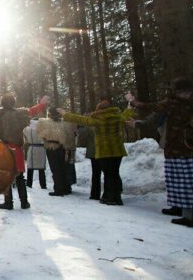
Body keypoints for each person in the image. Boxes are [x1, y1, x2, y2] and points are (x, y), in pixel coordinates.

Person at [128, 78, 193, 227]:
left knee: (183, 181)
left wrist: (135, 103)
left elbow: (153, 108)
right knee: (180, 179)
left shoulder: (174, 102)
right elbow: (156, 117)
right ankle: (179, 207)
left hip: (179, 146)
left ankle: (189, 215)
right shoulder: (179, 102)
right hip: (180, 146)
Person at [58, 98, 134, 205]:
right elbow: (127, 113)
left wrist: (65, 114)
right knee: (115, 173)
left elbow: (81, 119)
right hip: (117, 150)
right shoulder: (118, 117)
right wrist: (130, 104)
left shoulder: (99, 118)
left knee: (108, 174)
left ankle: (110, 198)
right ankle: (116, 197)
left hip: (104, 150)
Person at [37, 108, 77, 197]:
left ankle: (58, 189)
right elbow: (70, 135)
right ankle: (66, 188)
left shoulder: (44, 123)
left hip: (51, 147)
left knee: (55, 169)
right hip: (63, 148)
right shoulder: (65, 123)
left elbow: (41, 135)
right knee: (63, 167)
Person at [77, 125, 102, 200]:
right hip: (104, 150)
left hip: (93, 151)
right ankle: (110, 194)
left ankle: (95, 194)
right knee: (109, 173)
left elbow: (83, 138)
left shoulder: (90, 125)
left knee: (96, 173)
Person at [24, 119, 47, 189]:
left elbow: (25, 137)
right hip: (41, 149)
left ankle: (29, 183)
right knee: (41, 169)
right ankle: (43, 184)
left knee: (30, 167)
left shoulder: (27, 129)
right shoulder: (44, 129)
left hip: (32, 147)